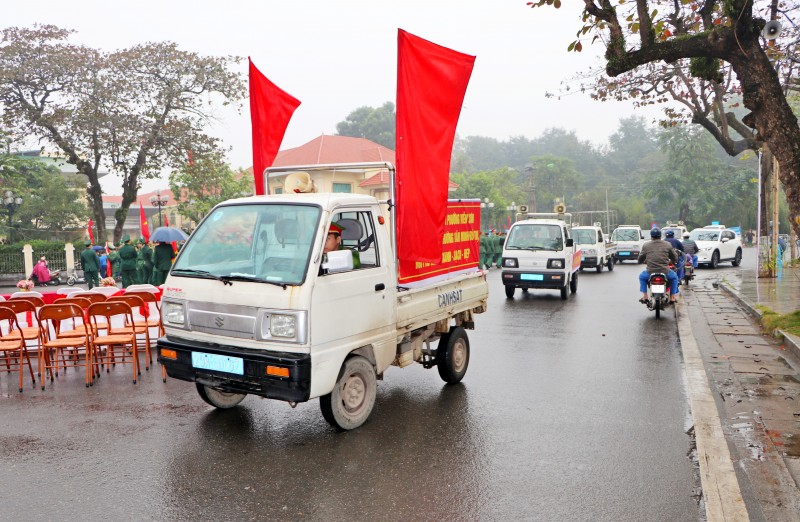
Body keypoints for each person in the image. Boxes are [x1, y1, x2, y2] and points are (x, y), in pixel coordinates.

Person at [637, 227, 679, 304]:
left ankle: (645, 296)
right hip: (665, 272)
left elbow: (641, 257)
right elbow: (674, 257)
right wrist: (674, 261)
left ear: (651, 236)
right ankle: (672, 297)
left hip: (650, 272)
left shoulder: (646, 245)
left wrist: (640, 261)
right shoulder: (667, 244)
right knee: (674, 278)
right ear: (660, 236)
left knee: (642, 277)